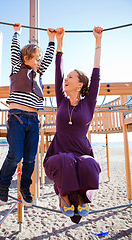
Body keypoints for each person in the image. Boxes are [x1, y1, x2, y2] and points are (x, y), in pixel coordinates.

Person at [43, 26, 102, 224]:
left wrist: (98, 42)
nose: (66, 79)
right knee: (66, 159)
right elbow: (57, 74)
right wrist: (60, 43)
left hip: (81, 155)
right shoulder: (62, 101)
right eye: (66, 77)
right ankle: (65, 196)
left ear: (80, 84)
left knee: (89, 162)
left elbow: (96, 74)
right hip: (57, 157)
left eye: (71, 77)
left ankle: (82, 199)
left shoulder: (89, 102)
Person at [0, 23, 56, 207]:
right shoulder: (17, 67)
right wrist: (17, 33)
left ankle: (25, 188)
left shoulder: (39, 73)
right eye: (36, 59)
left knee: (30, 157)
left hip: (33, 120)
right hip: (17, 118)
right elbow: (14, 50)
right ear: (25, 58)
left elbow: (48, 58)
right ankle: (4, 184)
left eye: (39, 59)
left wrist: (52, 40)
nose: (39, 62)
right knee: (16, 155)